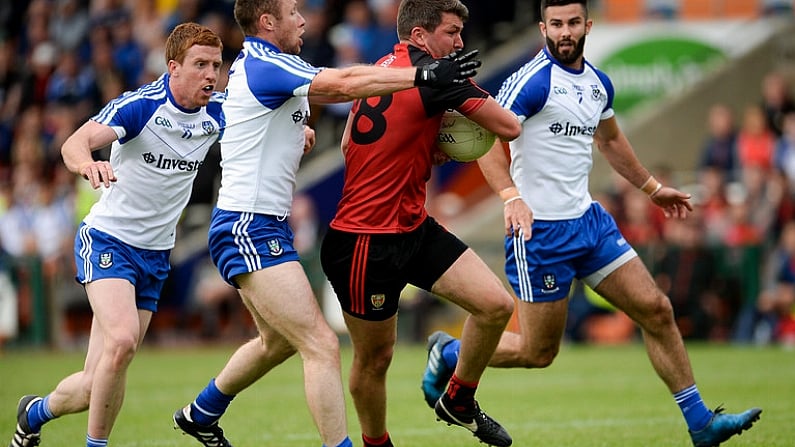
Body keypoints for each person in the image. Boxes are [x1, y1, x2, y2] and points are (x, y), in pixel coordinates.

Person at [420, 1, 763, 446]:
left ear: (588, 25)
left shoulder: (598, 84)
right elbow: (485, 141)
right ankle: (448, 352)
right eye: (557, 24)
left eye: (573, 23)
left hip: (589, 223)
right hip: (539, 233)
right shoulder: (530, 82)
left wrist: (653, 189)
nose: (565, 32)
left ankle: (701, 424)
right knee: (536, 352)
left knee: (657, 309)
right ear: (543, 27)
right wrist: (511, 197)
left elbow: (611, 139)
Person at [171, 1, 481, 447]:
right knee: (321, 343)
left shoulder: (265, 66)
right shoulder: (265, 62)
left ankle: (202, 413)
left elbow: (256, 115)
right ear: (267, 23)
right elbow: (344, 84)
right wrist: (424, 74)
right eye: (293, 11)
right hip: (246, 225)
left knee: (276, 343)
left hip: (259, 225)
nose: (302, 19)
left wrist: (294, 131)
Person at [8, 22, 225, 447]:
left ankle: (32, 414)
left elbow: (262, 129)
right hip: (108, 241)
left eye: (216, 65)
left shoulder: (216, 114)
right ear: (173, 68)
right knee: (122, 341)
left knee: (97, 381)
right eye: (200, 65)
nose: (211, 75)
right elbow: (75, 142)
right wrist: (87, 163)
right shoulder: (141, 107)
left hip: (156, 254)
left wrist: (302, 133)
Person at [319, 1, 521, 446]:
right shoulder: (438, 77)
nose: (460, 42)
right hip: (364, 242)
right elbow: (508, 127)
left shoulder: (381, 68)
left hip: (411, 227)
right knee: (375, 359)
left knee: (495, 306)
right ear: (420, 37)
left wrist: (417, 140)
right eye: (451, 32)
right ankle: (377, 443)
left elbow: (351, 142)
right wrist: (454, 103)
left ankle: (458, 399)